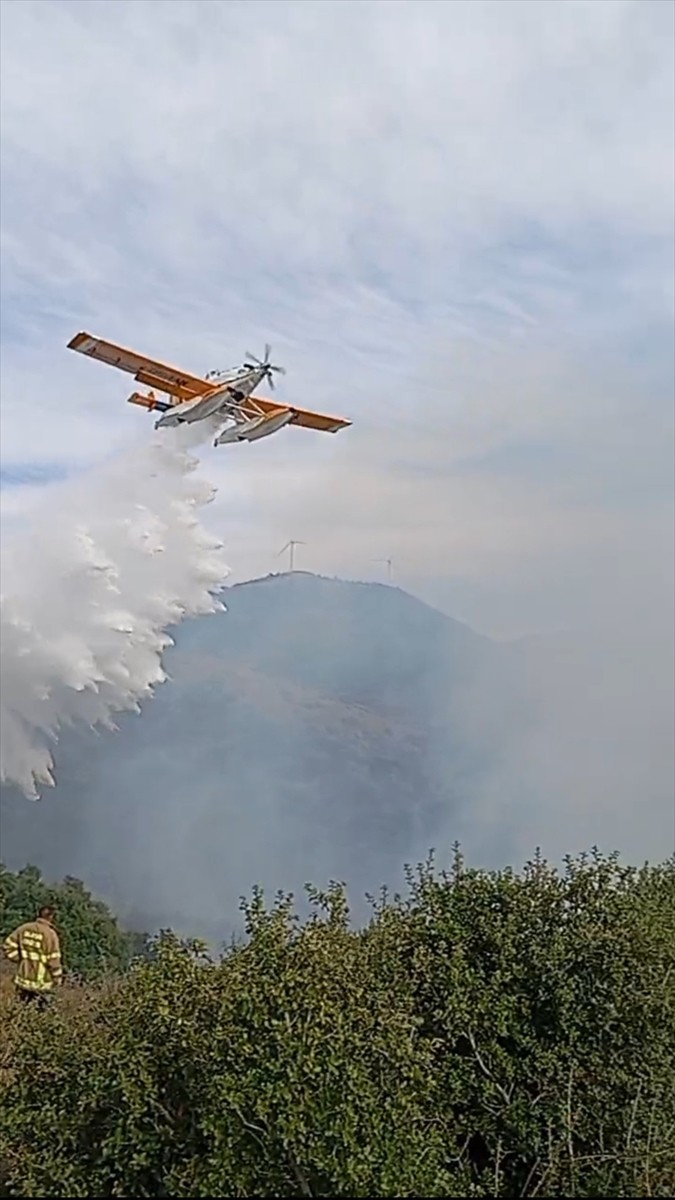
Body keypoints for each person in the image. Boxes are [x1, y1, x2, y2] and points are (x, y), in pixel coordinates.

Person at [3, 905, 63, 1008]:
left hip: (23, 980)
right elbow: (53, 961)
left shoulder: (24, 929)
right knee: (41, 1013)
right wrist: (57, 978)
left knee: (20, 1010)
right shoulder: (50, 935)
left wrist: (20, 959)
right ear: (51, 917)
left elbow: (7, 946)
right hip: (42, 984)